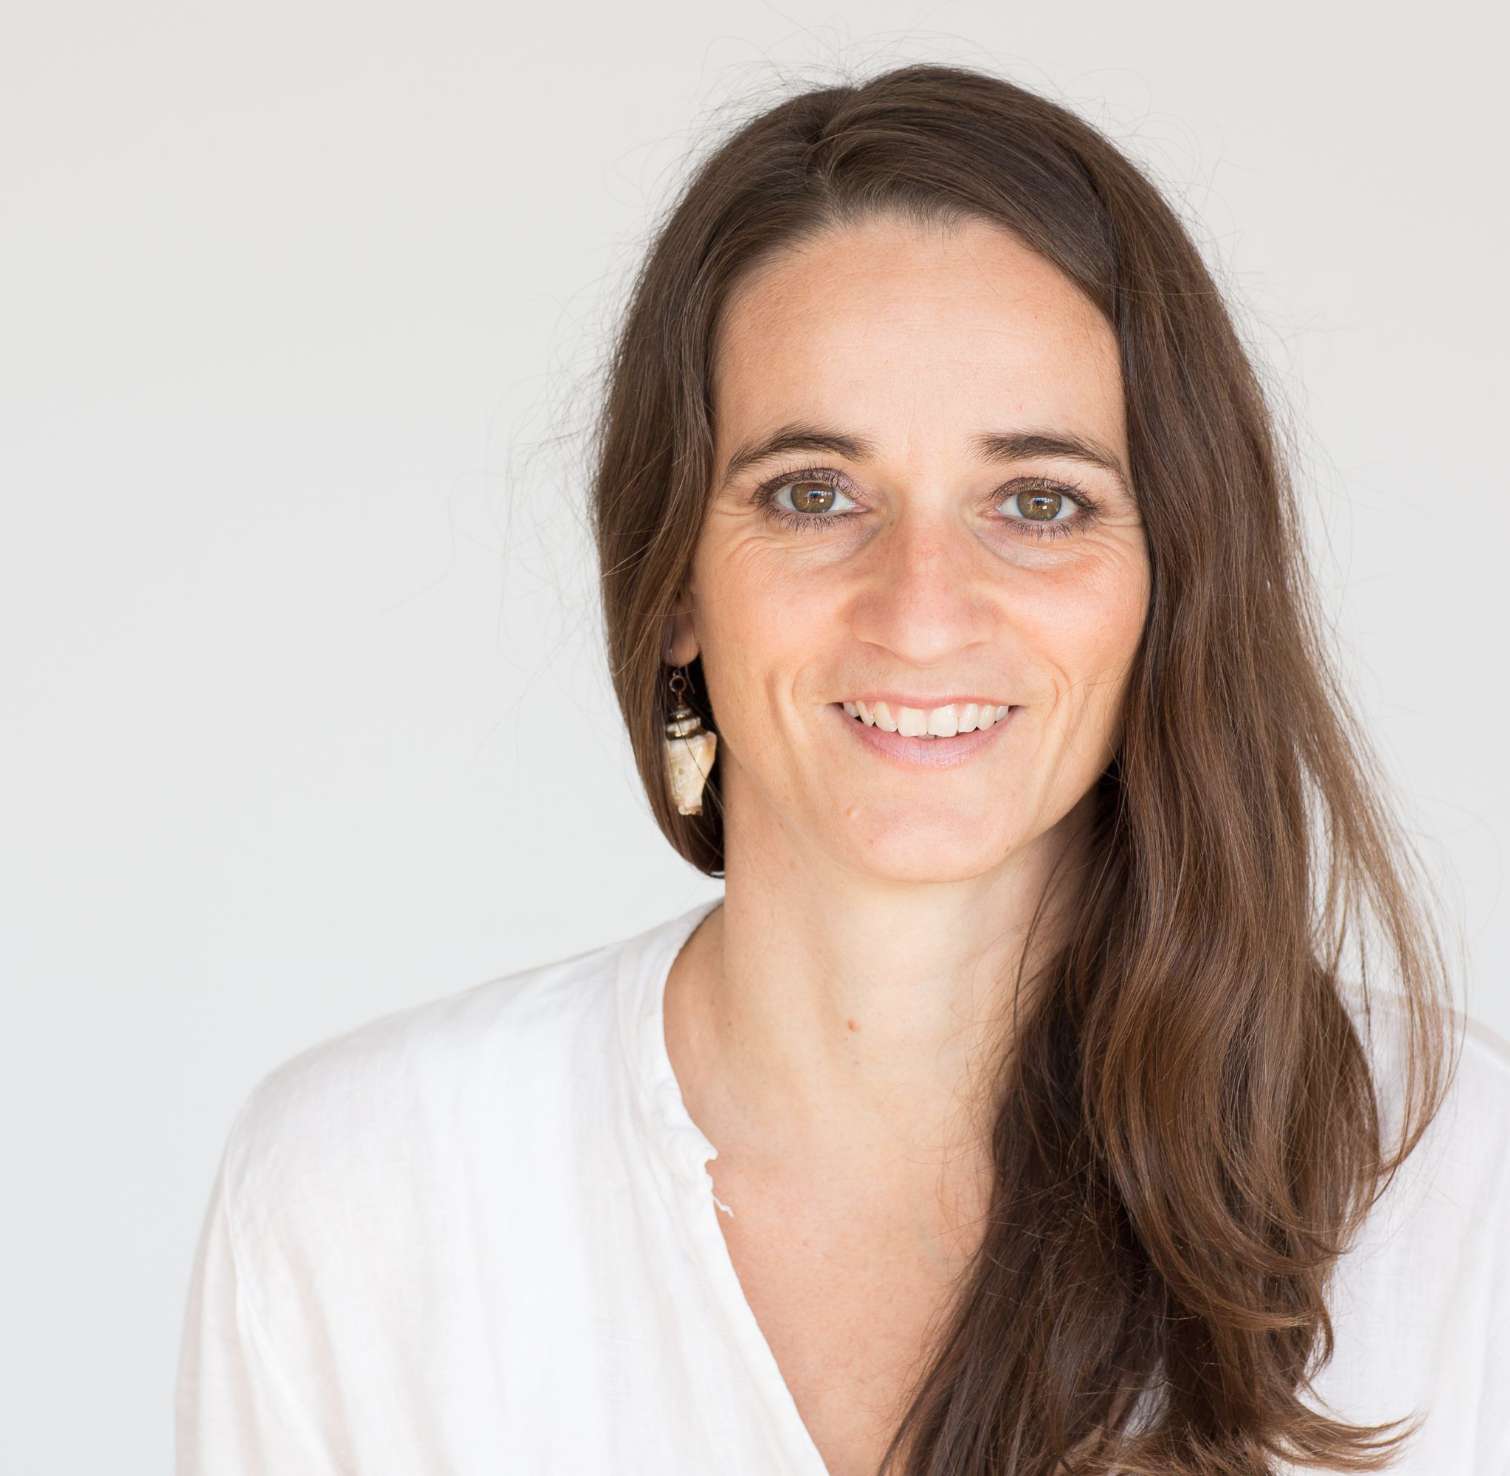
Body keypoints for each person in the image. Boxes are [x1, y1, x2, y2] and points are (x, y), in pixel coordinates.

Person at [174, 62, 1510, 1476]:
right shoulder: (365, 1195)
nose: (921, 607)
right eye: (811, 493)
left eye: (1038, 501)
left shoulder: (1447, 1184)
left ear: (1169, 579)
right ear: (674, 578)